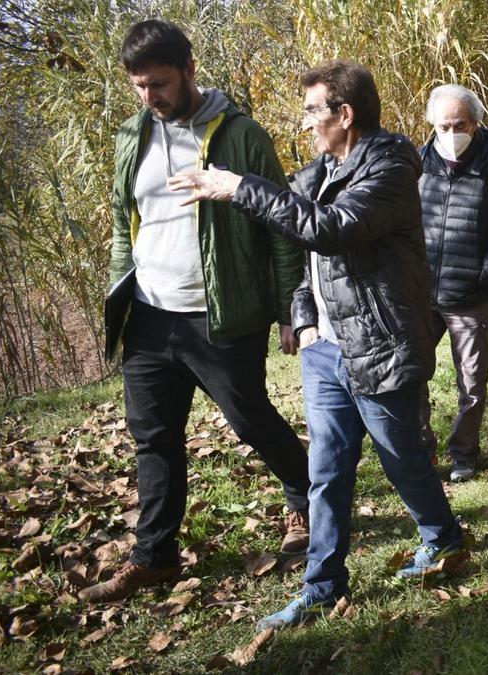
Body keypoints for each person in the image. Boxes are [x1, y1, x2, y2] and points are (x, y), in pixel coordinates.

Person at [169, 59, 465, 629]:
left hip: (379, 343)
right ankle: (323, 585)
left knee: (402, 458)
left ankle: (443, 536)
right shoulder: (320, 172)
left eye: (312, 110)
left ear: (344, 113)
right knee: (325, 472)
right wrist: (303, 318)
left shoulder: (391, 168)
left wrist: (239, 187)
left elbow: (333, 229)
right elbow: (303, 245)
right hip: (327, 351)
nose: (304, 122)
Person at [80, 20, 311, 604]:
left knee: (250, 419)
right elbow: (120, 222)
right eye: (138, 86)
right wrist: (119, 287)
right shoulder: (132, 135)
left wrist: (289, 308)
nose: (149, 97)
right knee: (153, 437)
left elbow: (281, 223)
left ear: (189, 69)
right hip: (150, 317)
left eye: (158, 83)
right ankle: (154, 556)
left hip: (223, 313)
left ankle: (305, 500)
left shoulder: (240, 135)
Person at [418, 84, 488, 482]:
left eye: (458, 124)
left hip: (472, 298)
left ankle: (464, 453)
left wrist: (483, 273)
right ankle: (421, 450)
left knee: (472, 383)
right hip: (421, 293)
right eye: (443, 125)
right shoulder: (417, 163)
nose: (450, 133)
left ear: (476, 124)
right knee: (412, 376)